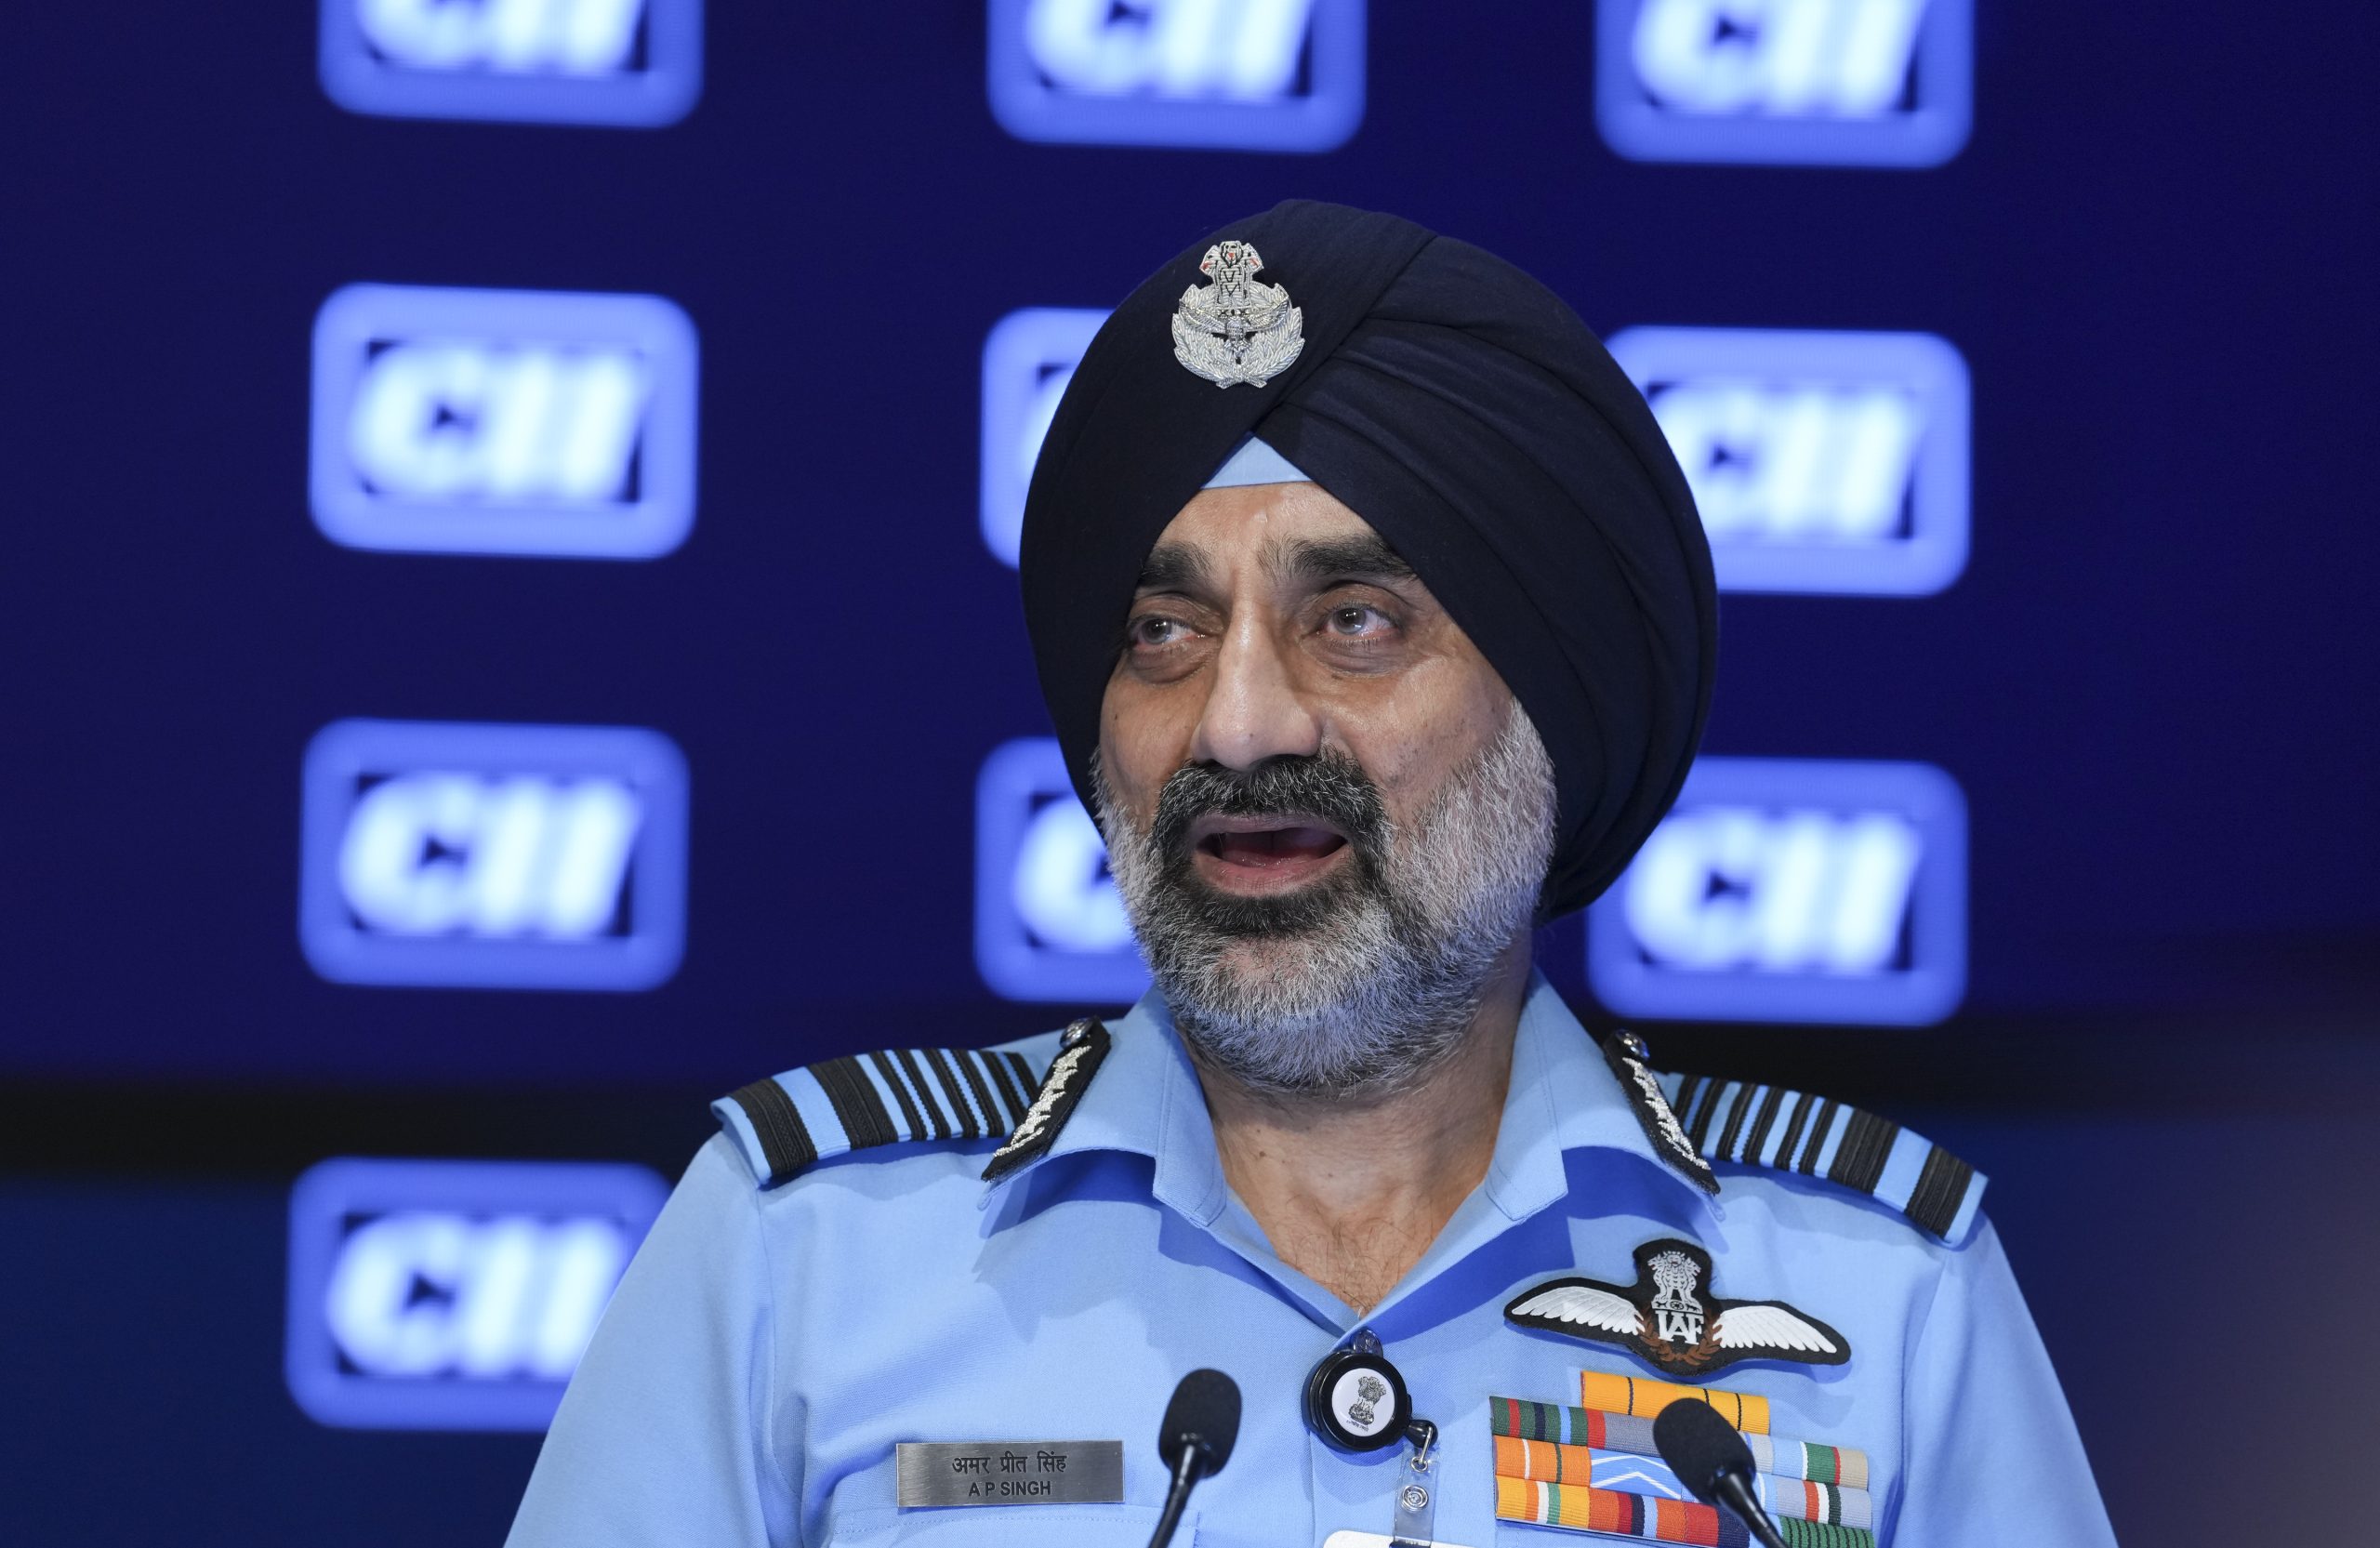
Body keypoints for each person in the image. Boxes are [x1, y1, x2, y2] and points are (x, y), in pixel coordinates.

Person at [506, 202, 2116, 1548]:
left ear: (1552, 709)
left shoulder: (1882, 1293)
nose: (1237, 722)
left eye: (1355, 621)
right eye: (1164, 629)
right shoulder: (805, 1252)